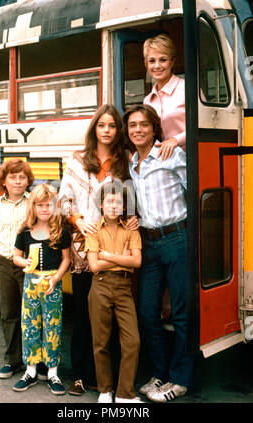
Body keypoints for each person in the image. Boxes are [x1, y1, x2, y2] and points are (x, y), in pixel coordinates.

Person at [59, 104, 137, 396]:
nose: (107, 130)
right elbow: (64, 199)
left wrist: (132, 216)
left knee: (112, 316)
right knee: (83, 314)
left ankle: (107, 378)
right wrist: (77, 219)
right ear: (95, 129)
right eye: (102, 125)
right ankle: (80, 375)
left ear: (118, 131)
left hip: (113, 249)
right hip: (82, 249)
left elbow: (130, 200)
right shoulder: (78, 160)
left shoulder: (124, 161)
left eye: (112, 126)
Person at [123, 104, 194, 402]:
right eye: (132, 125)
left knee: (181, 313)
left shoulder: (171, 155)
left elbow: (196, 185)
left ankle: (180, 379)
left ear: (154, 128)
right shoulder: (131, 165)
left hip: (177, 238)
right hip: (148, 243)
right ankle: (161, 374)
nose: (138, 129)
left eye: (144, 124)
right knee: (147, 312)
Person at [86, 181, 143, 403]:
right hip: (100, 285)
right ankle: (105, 390)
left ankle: (124, 394)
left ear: (123, 206)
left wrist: (107, 256)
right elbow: (94, 266)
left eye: (118, 202)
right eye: (109, 201)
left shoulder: (131, 229)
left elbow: (136, 261)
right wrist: (123, 257)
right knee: (101, 341)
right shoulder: (93, 229)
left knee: (132, 341)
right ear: (101, 204)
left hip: (123, 287)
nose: (113, 205)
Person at [12, 183, 70, 394]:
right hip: (31, 283)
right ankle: (31, 371)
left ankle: (53, 372)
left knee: (52, 327)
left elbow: (66, 259)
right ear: (33, 207)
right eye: (40, 205)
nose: (45, 209)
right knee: (30, 325)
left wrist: (56, 278)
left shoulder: (60, 231)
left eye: (49, 205)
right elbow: (16, 256)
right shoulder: (25, 231)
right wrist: (24, 263)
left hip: (52, 284)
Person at [0, 159, 34, 379]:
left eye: (22, 177)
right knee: (9, 312)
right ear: (4, 181)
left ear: (28, 181)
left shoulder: (33, 202)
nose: (17, 181)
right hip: (5, 263)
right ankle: (12, 360)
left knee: (32, 313)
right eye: (12, 177)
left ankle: (36, 362)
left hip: (28, 264)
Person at [143, 33, 185, 161]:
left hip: (188, 161)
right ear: (146, 64)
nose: (157, 66)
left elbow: (203, 126)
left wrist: (175, 140)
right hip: (160, 164)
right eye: (152, 61)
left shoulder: (187, 89)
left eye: (163, 59)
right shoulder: (147, 101)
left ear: (172, 62)